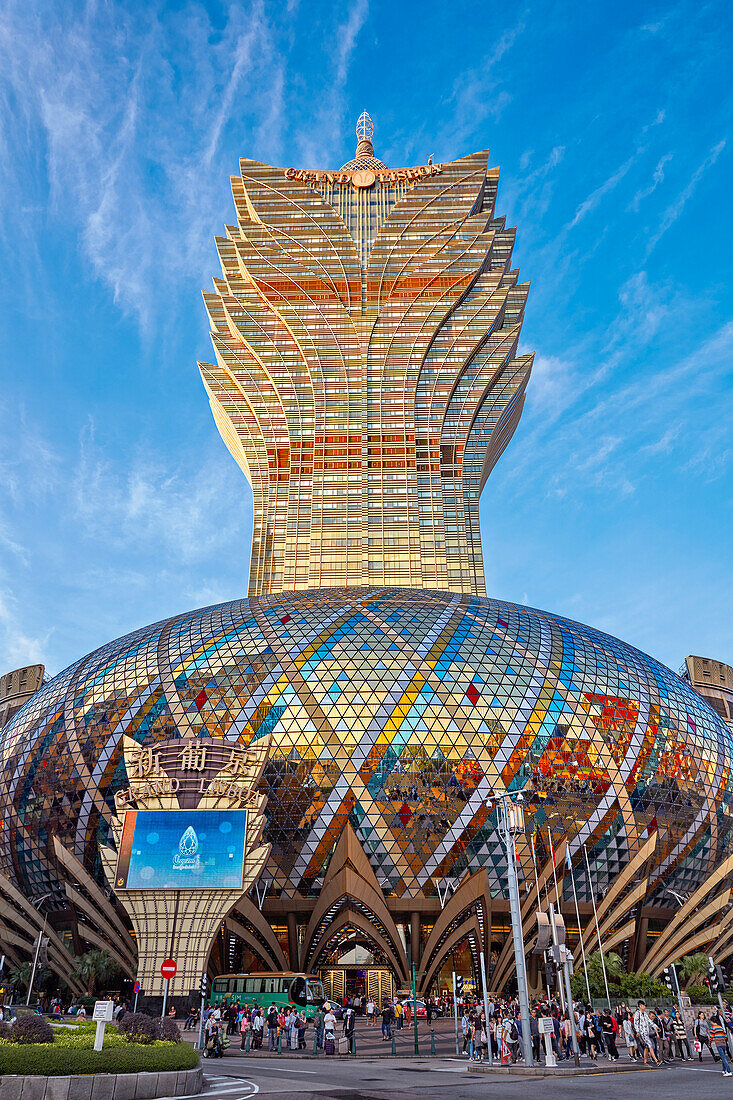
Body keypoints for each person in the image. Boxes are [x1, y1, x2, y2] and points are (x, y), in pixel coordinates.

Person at [633, 1001, 659, 1066]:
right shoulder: (637, 1013)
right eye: (644, 1005)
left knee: (646, 1047)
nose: (645, 1007)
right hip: (642, 1033)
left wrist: (655, 1026)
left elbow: (649, 1021)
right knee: (650, 1045)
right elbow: (635, 1023)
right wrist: (638, 1031)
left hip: (646, 1033)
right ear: (640, 1006)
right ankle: (656, 1060)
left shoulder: (645, 1014)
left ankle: (645, 1061)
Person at [709, 1012, 733, 1076]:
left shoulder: (713, 1028)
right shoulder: (720, 1027)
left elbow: (711, 1037)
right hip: (724, 1043)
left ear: (712, 1021)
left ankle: (728, 1071)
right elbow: (725, 1036)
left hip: (718, 1044)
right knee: (723, 1056)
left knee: (723, 1058)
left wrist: (709, 1044)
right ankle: (724, 1070)